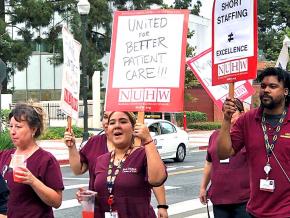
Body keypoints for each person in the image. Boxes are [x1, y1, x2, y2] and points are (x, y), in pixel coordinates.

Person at [64, 111, 169, 218]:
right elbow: (102, 192)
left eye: (123, 122)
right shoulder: (100, 160)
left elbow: (157, 180)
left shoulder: (143, 154)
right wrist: (88, 196)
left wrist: (147, 139)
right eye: (112, 123)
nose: (117, 126)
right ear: (107, 130)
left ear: (133, 128)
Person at [218, 67, 290, 217]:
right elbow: (224, 153)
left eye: (273, 86)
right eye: (263, 86)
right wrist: (226, 119)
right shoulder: (247, 120)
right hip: (255, 211)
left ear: (286, 92)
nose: (266, 90)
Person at [0, 103, 64, 218]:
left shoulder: (46, 159)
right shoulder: (4, 156)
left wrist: (33, 181)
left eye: (18, 127)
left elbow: (57, 201)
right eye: (11, 126)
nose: (13, 131)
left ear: (33, 129)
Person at [199, 98, 251, 218]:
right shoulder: (215, 136)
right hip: (219, 198)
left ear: (242, 113)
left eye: (233, 109)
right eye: (225, 110)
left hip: (244, 199)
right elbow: (209, 163)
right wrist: (203, 187)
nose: (228, 112)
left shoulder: (248, 135)